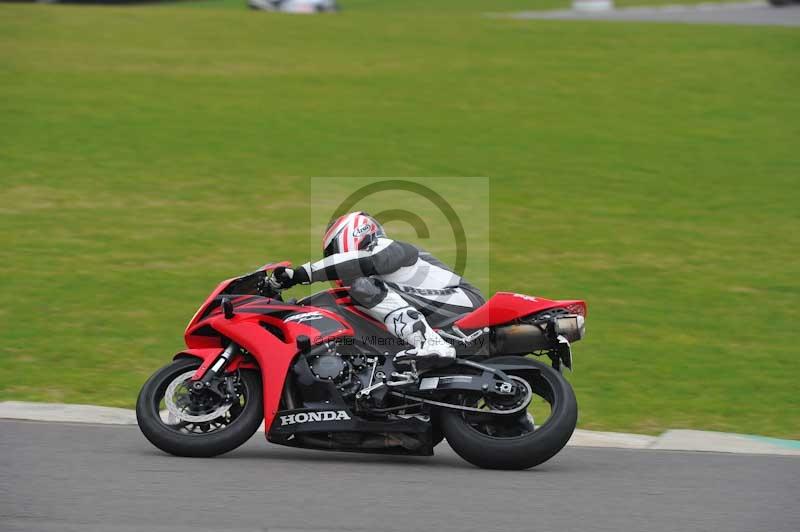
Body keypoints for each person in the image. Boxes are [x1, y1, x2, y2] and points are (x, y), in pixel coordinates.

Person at [268, 211, 484, 365]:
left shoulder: (384, 247)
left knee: (362, 287)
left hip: (463, 303)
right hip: (442, 312)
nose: (333, 260)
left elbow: (360, 261)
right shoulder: (385, 279)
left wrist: (300, 274)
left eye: (332, 253)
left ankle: (431, 344)